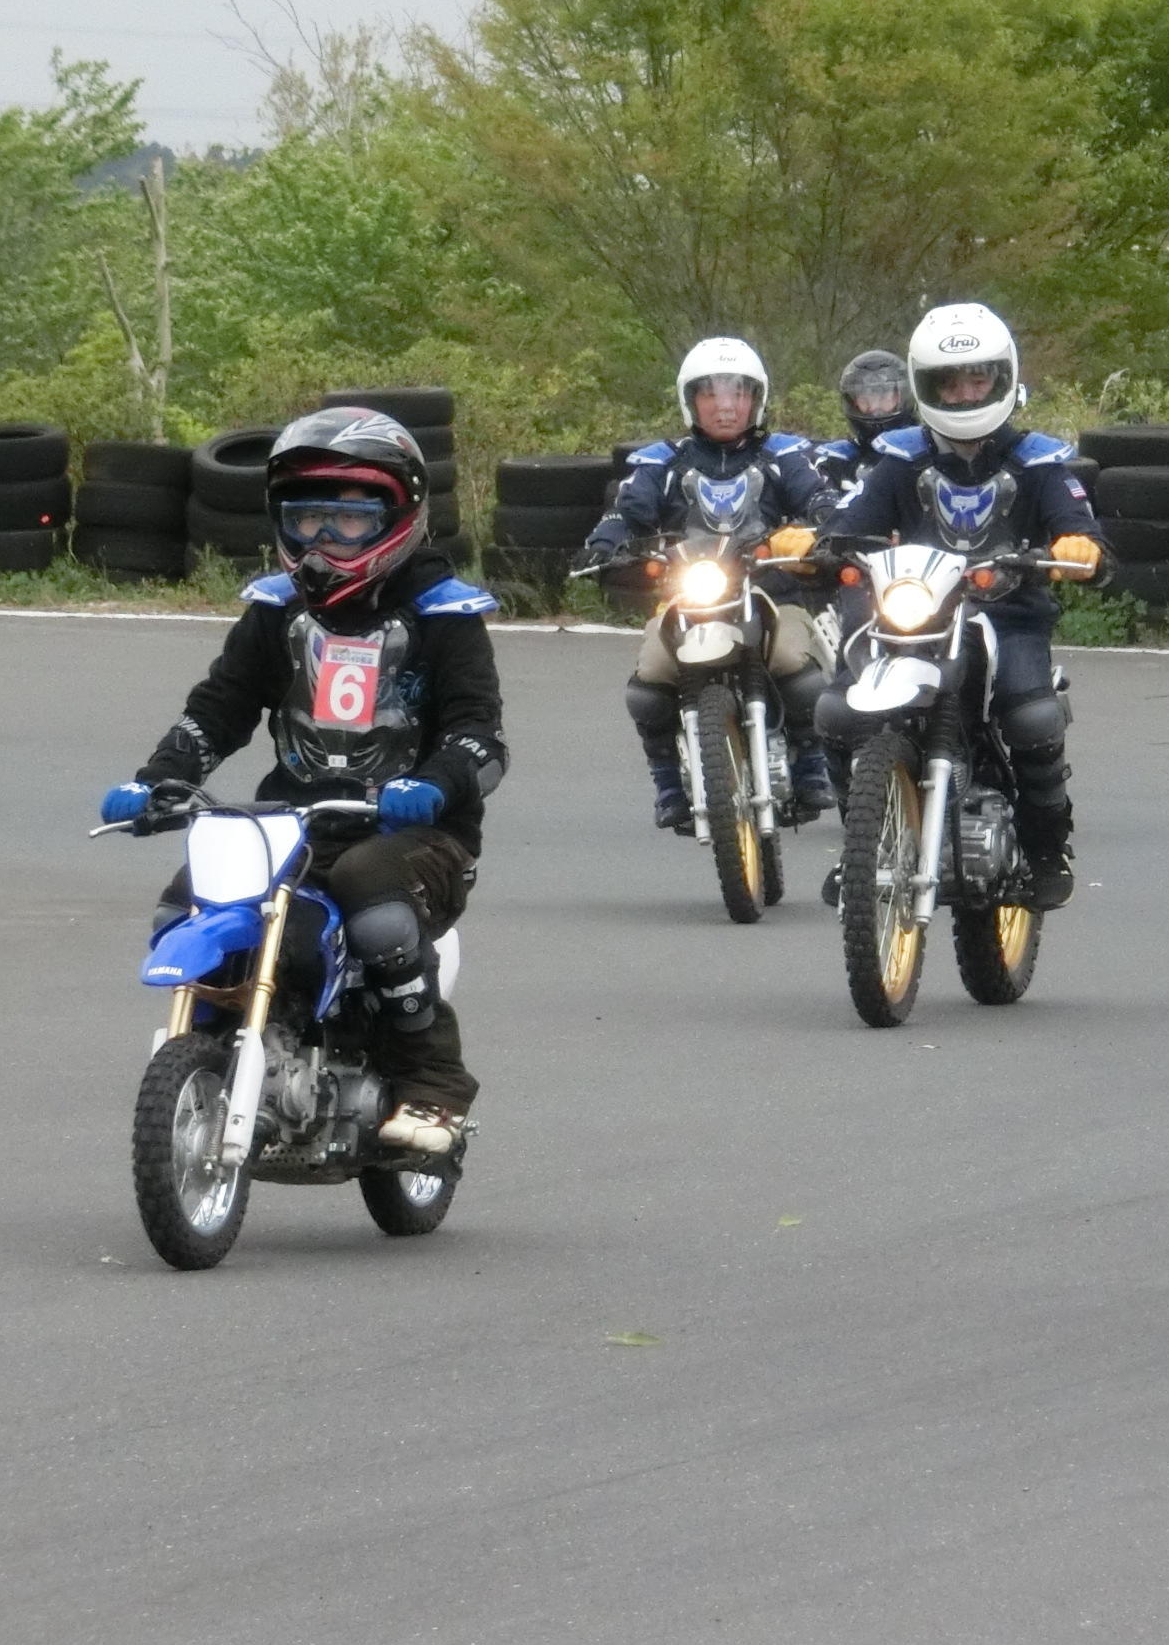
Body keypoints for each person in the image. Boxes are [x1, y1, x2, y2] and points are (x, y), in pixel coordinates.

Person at [98, 408, 507, 1157]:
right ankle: (221, 1048)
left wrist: (436, 785)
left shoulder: (443, 613)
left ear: (397, 515)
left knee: (371, 898)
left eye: (344, 523)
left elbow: (480, 737)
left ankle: (434, 1085)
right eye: (305, 521)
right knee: (183, 902)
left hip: (418, 835)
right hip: (296, 819)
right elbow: (219, 709)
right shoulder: (277, 609)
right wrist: (159, 780)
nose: (321, 543)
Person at [814, 303, 1104, 909]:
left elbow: (1080, 526)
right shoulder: (898, 458)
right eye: (951, 381)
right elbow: (851, 523)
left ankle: (1048, 845)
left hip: (1007, 614)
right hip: (909, 616)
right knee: (839, 713)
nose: (966, 393)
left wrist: (1079, 545)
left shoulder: (1040, 460)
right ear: (927, 385)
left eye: (979, 379)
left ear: (1002, 380)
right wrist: (815, 545)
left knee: (1031, 720)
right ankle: (861, 845)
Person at [572, 336, 839, 828]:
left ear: (755, 400)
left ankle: (811, 764)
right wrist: (603, 544)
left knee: (789, 661)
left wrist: (822, 529)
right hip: (686, 596)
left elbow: (821, 500)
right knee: (650, 677)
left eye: (737, 393)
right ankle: (669, 783)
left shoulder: (786, 455)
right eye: (711, 394)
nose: (724, 405)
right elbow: (624, 514)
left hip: (770, 592)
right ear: (690, 400)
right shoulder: (660, 463)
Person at [812, 349, 910, 494]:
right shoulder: (836, 459)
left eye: (883, 396)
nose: (874, 407)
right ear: (853, 402)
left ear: (900, 397)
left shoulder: (926, 453)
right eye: (865, 398)